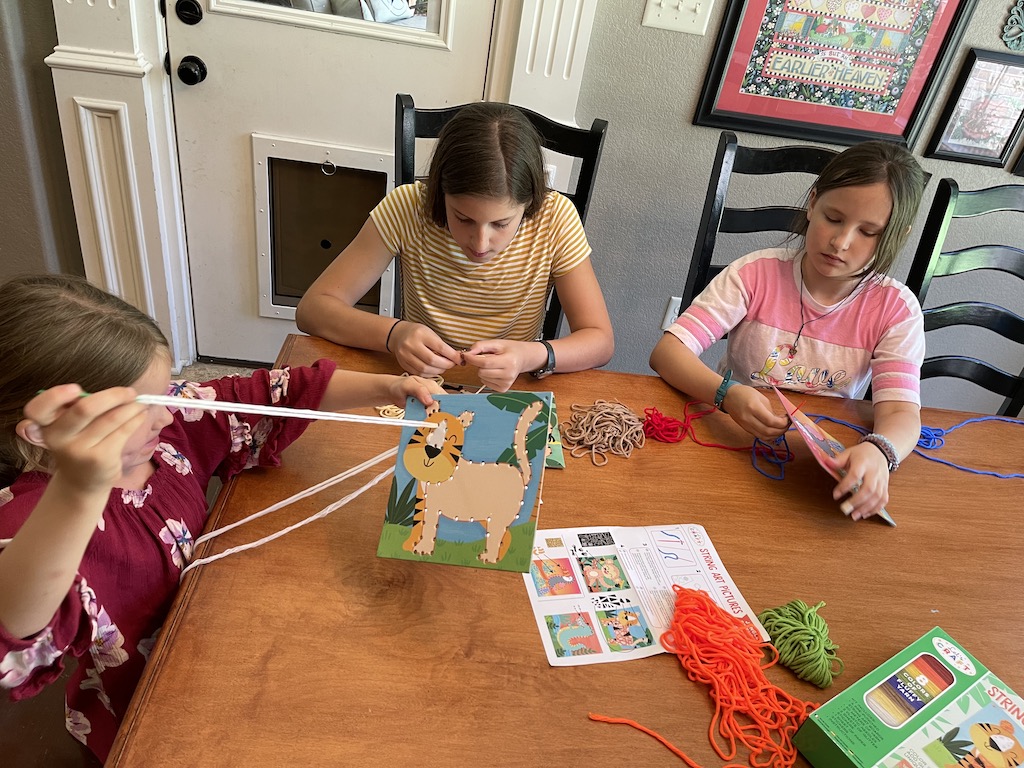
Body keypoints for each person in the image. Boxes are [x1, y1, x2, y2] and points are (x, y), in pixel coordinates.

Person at [0, 274, 442, 762]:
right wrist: (78, 489)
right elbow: (15, 627)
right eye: (138, 411)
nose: (167, 417)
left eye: (166, 393)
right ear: (43, 432)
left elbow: (273, 393)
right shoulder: (35, 521)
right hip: (146, 714)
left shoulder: (168, 432)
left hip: (226, 638)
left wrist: (390, 386)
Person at [650, 141, 927, 523]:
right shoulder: (755, 274)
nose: (841, 242)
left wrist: (881, 449)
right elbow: (668, 353)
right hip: (734, 439)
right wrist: (726, 395)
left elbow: (900, 409)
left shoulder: (896, 309)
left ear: (897, 234)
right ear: (812, 203)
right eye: (833, 217)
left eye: (869, 232)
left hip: (819, 466)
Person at [295, 101, 614, 392]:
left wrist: (532, 354)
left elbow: (600, 340)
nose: (480, 243)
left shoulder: (555, 218)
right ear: (439, 192)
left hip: (509, 386)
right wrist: (394, 335)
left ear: (529, 203)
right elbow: (313, 310)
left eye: (501, 224)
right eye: (463, 219)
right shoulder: (407, 208)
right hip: (416, 384)